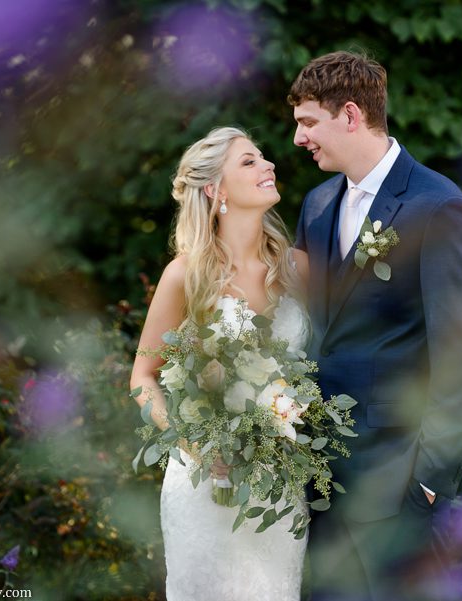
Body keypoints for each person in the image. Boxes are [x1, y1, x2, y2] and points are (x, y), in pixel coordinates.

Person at [289, 51, 462, 601]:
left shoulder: (436, 207)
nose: (299, 139)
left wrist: (428, 483)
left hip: (399, 487)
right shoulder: (317, 204)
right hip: (320, 484)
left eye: (309, 123)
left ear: (350, 115)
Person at [129, 126, 311, 601]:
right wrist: (192, 444)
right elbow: (143, 378)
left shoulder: (299, 270)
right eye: (249, 161)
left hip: (278, 486)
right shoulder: (185, 275)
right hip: (204, 488)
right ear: (215, 189)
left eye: (263, 157)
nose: (268, 165)